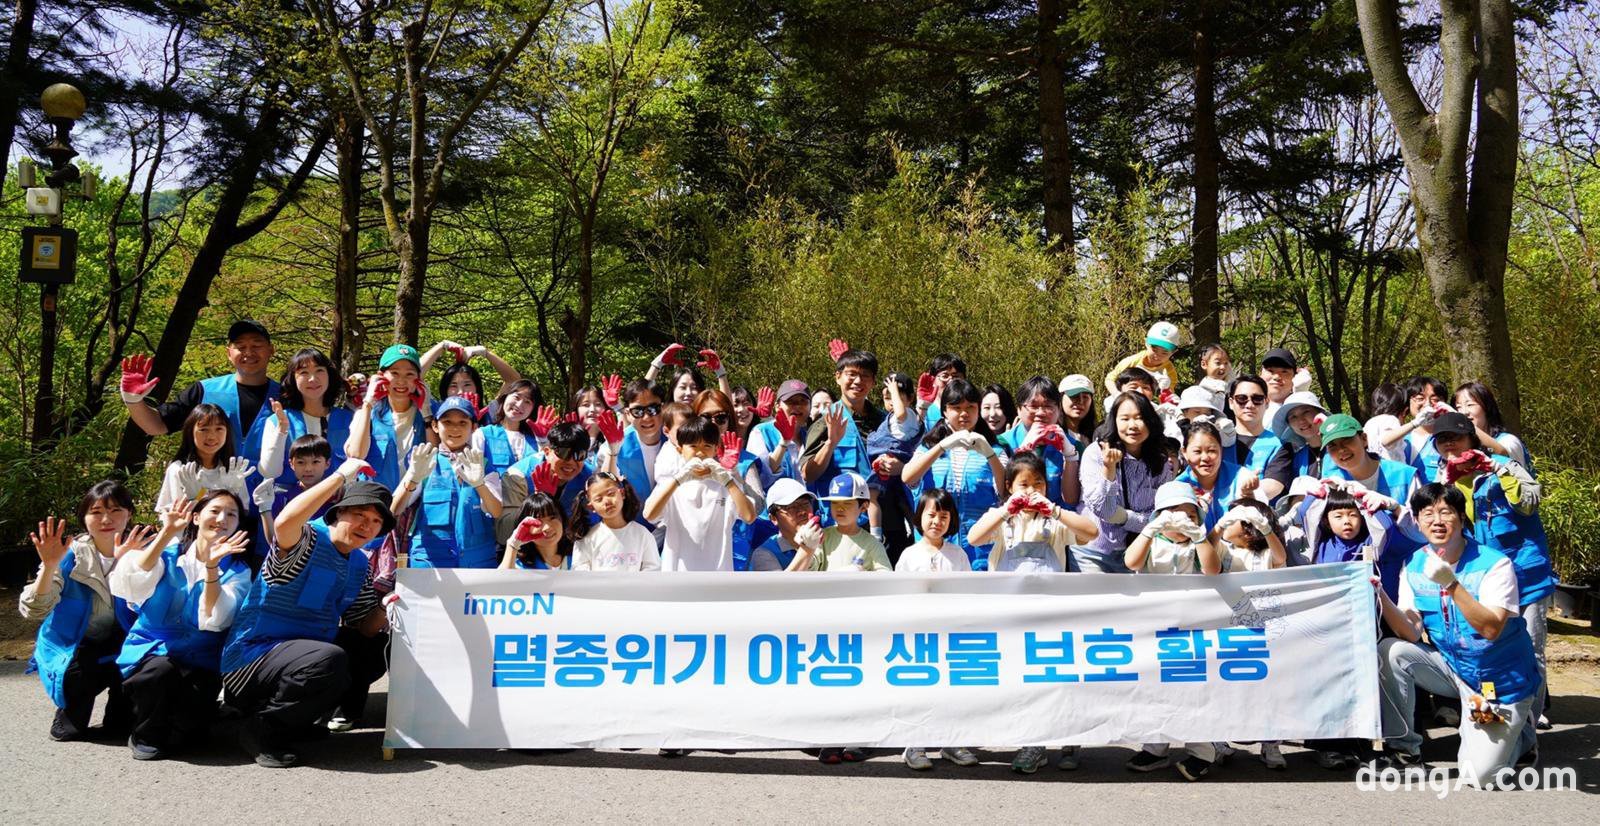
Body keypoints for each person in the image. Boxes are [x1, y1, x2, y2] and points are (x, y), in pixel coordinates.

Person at [220, 458, 389, 768]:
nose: (367, 526)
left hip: (300, 657)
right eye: (359, 515)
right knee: (329, 659)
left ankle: (293, 720)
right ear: (337, 513)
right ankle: (261, 729)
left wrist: (386, 604)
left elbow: (365, 626)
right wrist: (339, 476)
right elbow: (284, 523)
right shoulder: (307, 538)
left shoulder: (360, 564)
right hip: (251, 658)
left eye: (375, 522)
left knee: (370, 650)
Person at [1373, 483, 1541, 783]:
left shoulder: (1494, 564)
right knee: (1391, 651)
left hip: (1500, 679)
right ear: (1417, 521)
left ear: (1461, 518)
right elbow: (1410, 632)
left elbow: (1490, 629)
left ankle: (1521, 735)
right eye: (1427, 514)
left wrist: (1452, 585)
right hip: (1454, 670)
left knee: (1479, 776)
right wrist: (1379, 594)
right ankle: (1404, 751)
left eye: (1445, 512)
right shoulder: (1414, 564)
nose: (1437, 521)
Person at [1428, 411, 1554, 738]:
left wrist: (1497, 467)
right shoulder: (1446, 479)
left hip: (1525, 574)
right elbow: (1442, 524)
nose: (1450, 445)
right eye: (1442, 441)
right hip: (1483, 578)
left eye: (1456, 437)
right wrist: (1447, 484)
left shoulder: (1506, 466)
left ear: (1472, 437)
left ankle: (1525, 735)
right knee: (1490, 652)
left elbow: (1529, 503)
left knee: (1530, 652)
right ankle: (1497, 729)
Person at [111, 492, 252, 760]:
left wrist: (211, 568)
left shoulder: (238, 570)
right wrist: (167, 532)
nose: (222, 519)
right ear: (196, 517)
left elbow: (214, 619)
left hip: (200, 659)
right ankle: (145, 734)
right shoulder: (166, 554)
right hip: (151, 651)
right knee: (160, 672)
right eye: (215, 511)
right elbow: (132, 581)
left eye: (231, 514)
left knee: (192, 729)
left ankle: (181, 719)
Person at [21, 481, 142, 742]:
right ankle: (71, 712)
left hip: (123, 641)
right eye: (96, 512)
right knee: (72, 714)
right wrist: (50, 566)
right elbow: (34, 609)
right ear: (84, 518)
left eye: (116, 510)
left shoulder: (143, 550)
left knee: (142, 666)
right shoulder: (69, 555)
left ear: (130, 514)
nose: (106, 519)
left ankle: (122, 712)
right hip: (76, 646)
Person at [1123, 481, 1222, 780]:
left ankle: (1203, 750)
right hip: (1156, 627)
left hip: (1193, 627)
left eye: (1188, 514)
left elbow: (1213, 570)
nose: (1180, 520)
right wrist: (1151, 530)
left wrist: (1197, 536)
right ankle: (1155, 747)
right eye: (1173, 513)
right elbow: (1131, 561)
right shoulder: (1153, 540)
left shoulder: (1198, 542)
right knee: (1155, 688)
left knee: (1192, 689)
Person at [120, 320, 280, 488]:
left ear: (271, 350)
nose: (248, 352)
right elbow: (156, 425)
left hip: (269, 498)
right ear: (229, 353)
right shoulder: (204, 390)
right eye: (240, 346)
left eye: (256, 345)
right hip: (210, 499)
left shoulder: (287, 395)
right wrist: (133, 400)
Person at [901, 379, 1006, 570]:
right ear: (944, 411)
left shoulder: (995, 449)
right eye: (956, 407)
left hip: (980, 546)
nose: (964, 413)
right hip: (934, 544)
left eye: (971, 407)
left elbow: (1005, 492)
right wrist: (942, 446)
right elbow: (908, 477)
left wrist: (990, 454)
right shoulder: (928, 446)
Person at [392, 396, 501, 569]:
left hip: (477, 562)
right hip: (431, 561)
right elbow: (395, 509)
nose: (455, 428)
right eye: (447, 422)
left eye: (463, 423)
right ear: (435, 426)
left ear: (474, 427)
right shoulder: (424, 461)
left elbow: (495, 511)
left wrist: (479, 484)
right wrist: (413, 479)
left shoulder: (484, 464)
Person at [1077, 392, 1179, 572]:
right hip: (1093, 553)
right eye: (1124, 419)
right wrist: (1109, 469)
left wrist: (1124, 517)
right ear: (1114, 421)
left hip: (1137, 552)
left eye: (1139, 418)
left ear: (1151, 421)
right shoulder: (1096, 453)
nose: (1132, 426)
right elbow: (1103, 510)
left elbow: (1161, 515)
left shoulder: (1160, 461)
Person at [643, 414, 759, 571]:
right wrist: (678, 480)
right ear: (680, 449)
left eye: (706, 446)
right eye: (693, 446)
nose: (700, 453)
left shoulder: (726, 484)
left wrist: (728, 481)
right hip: (677, 575)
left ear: (716, 450)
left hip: (718, 577)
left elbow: (749, 517)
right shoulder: (670, 484)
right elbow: (649, 515)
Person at [969, 452, 1098, 575]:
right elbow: (974, 539)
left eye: (1038, 483)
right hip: (1007, 596)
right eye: (1024, 485)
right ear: (1009, 486)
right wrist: (1005, 511)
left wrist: (1055, 511)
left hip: (1048, 595)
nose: (1031, 491)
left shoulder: (1056, 520)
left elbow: (1092, 532)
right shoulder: (1000, 518)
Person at [800, 348, 884, 510]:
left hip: (885, 515)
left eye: (865, 375)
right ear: (838, 377)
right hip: (843, 517)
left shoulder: (885, 420)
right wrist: (831, 443)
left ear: (873, 381)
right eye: (851, 374)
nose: (858, 381)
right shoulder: (825, 421)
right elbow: (808, 475)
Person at [345, 344, 432, 494]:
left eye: (409, 374)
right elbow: (356, 454)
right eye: (394, 373)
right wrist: (367, 404)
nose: (401, 381)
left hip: (415, 502)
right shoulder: (367, 413)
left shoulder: (428, 413)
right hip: (374, 501)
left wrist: (426, 413)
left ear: (418, 378)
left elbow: (435, 454)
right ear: (381, 376)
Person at [260, 348, 352, 481]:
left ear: (329, 375)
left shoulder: (350, 420)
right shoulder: (276, 421)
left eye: (319, 370)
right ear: (293, 379)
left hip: (341, 498)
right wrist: (282, 431)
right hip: (292, 499)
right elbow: (269, 471)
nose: (312, 379)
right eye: (304, 372)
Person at [498, 422, 594, 541]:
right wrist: (539, 503)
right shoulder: (518, 476)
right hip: (526, 550)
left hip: (569, 545)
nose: (571, 462)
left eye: (579, 455)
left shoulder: (589, 476)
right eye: (564, 453)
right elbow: (503, 532)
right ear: (547, 451)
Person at [154, 404, 255, 515]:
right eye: (204, 429)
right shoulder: (179, 469)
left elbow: (243, 513)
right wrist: (195, 498)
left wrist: (231, 493)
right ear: (190, 432)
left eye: (219, 429)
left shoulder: (233, 470)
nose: (211, 436)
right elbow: (167, 514)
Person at [998, 377, 1081, 508]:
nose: (1041, 413)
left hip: (1057, 521)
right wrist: (1025, 448)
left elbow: (1071, 500)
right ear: (1019, 409)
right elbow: (1001, 493)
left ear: (1059, 409)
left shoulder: (1073, 446)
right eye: (1033, 406)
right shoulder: (1002, 444)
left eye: (1048, 406)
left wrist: (1070, 456)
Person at [864, 372, 922, 556]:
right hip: (891, 468)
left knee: (870, 496)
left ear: (910, 398)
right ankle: (914, 533)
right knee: (903, 504)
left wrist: (894, 390)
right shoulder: (896, 419)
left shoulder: (906, 417)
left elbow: (901, 412)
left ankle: (875, 535)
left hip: (891, 463)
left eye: (895, 395)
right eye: (886, 396)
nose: (890, 400)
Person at [790, 473, 893, 572]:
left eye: (847, 503)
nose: (839, 508)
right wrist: (805, 546)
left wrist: (863, 575)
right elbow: (809, 569)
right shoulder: (821, 536)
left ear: (864, 507)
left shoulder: (872, 544)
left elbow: (885, 576)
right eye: (834, 503)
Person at [599, 379, 668, 527]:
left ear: (664, 408)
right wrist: (613, 452)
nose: (646, 417)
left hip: (672, 528)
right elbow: (605, 486)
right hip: (631, 528)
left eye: (653, 409)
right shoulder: (617, 442)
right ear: (627, 414)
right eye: (638, 411)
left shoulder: (675, 439)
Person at [1319, 413, 1423, 505]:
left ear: (1364, 439)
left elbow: (1422, 521)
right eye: (1332, 446)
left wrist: (1395, 508)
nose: (1341, 450)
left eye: (1346, 440)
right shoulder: (1332, 484)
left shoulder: (1404, 475)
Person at [1175, 419, 1257, 531]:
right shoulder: (1179, 487)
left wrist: (1250, 498)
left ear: (1221, 450)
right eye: (1197, 452)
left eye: (1212, 450)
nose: (1205, 458)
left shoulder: (1242, 476)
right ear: (1184, 452)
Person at [569, 473, 660, 571]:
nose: (607, 501)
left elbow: (652, 569)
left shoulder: (642, 534)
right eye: (599, 499)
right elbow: (580, 572)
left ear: (622, 493)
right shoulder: (588, 539)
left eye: (611, 494)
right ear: (591, 507)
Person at [1260, 391, 1327, 501]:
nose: (1301, 420)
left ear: (1319, 413)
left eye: (1306, 412)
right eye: (1293, 417)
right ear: (1289, 425)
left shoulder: (1341, 445)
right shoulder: (1295, 458)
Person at [473, 379, 546, 476]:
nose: (519, 405)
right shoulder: (482, 434)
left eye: (527, 402)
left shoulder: (539, 440)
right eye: (516, 397)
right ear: (505, 397)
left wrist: (543, 441)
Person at [749, 479, 823, 571]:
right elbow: (780, 585)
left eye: (805, 504)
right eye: (791, 507)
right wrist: (807, 548)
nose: (802, 512)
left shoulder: (826, 540)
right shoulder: (764, 553)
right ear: (773, 518)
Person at [748, 380, 810, 483]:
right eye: (791, 402)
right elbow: (761, 477)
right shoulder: (761, 432)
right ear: (777, 406)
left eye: (803, 401)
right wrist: (783, 443)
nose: (798, 406)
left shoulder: (810, 435)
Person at [1454, 381, 1529, 467]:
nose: (1463, 412)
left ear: (1487, 407)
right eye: (1458, 407)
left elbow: (1503, 456)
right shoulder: (1463, 445)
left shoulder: (1508, 441)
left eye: (1470, 405)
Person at [894, 490, 970, 572]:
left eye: (943, 517)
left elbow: (967, 583)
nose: (937, 521)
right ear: (920, 516)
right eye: (931, 515)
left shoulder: (958, 554)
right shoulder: (909, 555)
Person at [1104, 321, 1182, 395]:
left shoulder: (1169, 371)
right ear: (1146, 343)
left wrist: (1166, 389)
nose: (1157, 355)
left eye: (1164, 353)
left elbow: (1169, 396)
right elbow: (1110, 379)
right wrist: (1117, 395)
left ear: (1173, 352)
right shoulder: (1132, 361)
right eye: (1154, 349)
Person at [498, 495, 572, 570]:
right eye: (538, 521)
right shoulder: (519, 566)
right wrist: (513, 543)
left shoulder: (578, 554)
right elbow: (503, 579)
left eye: (552, 518)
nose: (547, 528)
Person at [646, 343, 734, 403]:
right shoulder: (663, 419)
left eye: (694, 388)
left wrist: (721, 373)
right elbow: (641, 400)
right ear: (672, 390)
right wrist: (656, 364)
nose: (688, 393)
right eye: (682, 387)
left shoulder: (706, 419)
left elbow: (726, 407)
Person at [1258, 348, 1308, 420]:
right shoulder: (1245, 406)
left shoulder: (1309, 410)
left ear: (1295, 376)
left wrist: (1300, 397)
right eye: (1270, 371)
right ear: (1260, 375)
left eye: (1284, 371)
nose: (1276, 377)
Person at [1057, 374, 1097, 453]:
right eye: (1074, 396)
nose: (1081, 401)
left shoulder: (1097, 437)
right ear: (1061, 398)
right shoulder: (1053, 434)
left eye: (1085, 397)